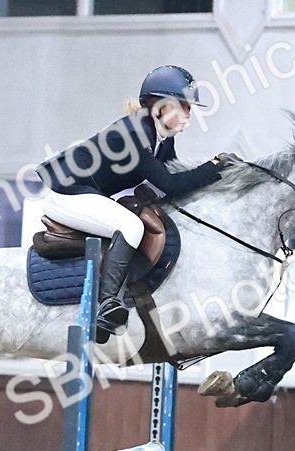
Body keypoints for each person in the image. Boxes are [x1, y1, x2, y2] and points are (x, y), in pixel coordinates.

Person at [37, 65, 235, 342]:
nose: (189, 115)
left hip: (88, 194)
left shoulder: (161, 138)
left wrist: (222, 174)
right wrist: (213, 166)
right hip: (67, 195)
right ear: (160, 107)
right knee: (130, 226)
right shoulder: (134, 133)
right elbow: (171, 184)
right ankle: (105, 305)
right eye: (184, 107)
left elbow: (171, 179)